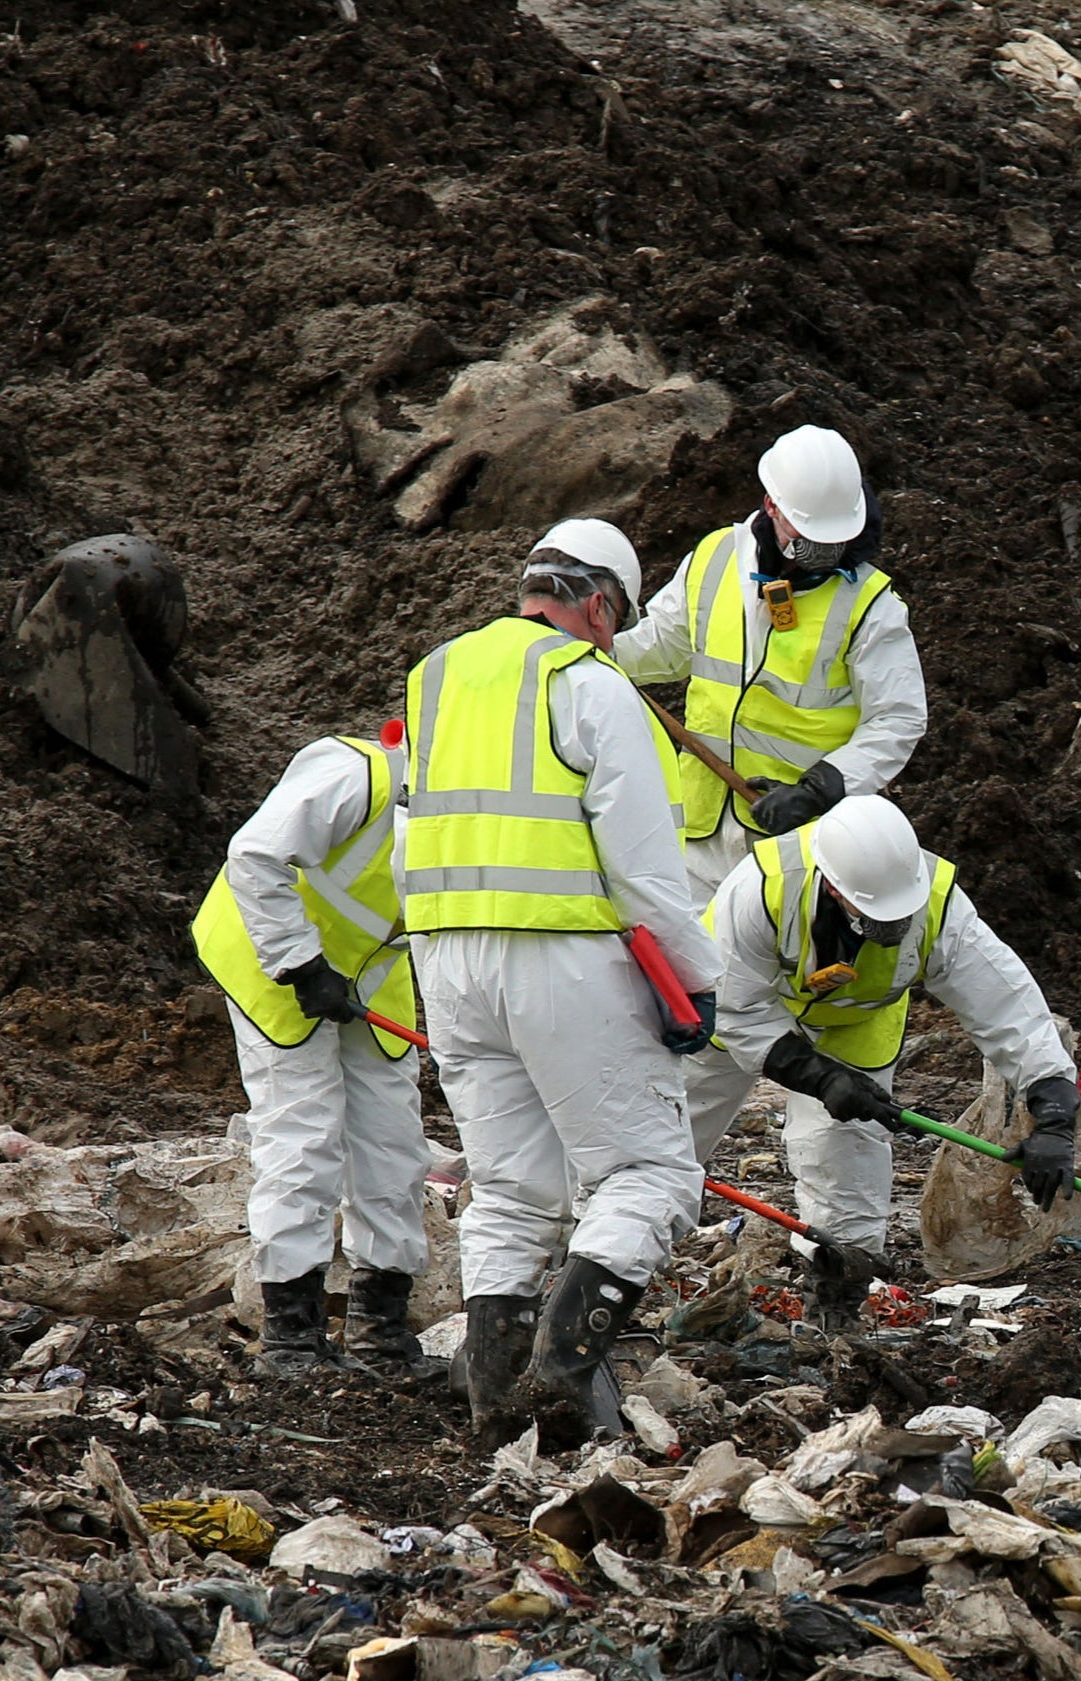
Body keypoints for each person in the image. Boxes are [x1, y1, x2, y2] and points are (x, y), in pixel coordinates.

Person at [399, 519, 724, 1433]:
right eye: (614, 622)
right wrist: (692, 982)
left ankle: (494, 1395)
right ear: (596, 605)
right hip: (561, 954)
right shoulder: (587, 682)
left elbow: (408, 824)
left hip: (448, 958)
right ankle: (566, 1359)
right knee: (651, 1172)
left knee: (509, 1185)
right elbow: (644, 864)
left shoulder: (436, 677)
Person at [690, 795, 1081, 1315]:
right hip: (731, 1012)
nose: (894, 927)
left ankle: (836, 1301)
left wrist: (1052, 1114)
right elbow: (736, 1005)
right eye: (875, 915)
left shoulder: (940, 908)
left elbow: (1010, 1010)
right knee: (662, 1140)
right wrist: (816, 1076)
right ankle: (597, 1252)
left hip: (854, 1023)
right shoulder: (761, 890)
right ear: (833, 887)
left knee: (846, 1164)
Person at [189, 724, 430, 1378]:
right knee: (304, 1133)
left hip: (368, 976)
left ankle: (381, 1334)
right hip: (275, 961)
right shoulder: (356, 773)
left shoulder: (480, 808)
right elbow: (254, 856)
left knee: (393, 1142)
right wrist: (300, 965)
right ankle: (292, 1341)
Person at [614, 424, 926, 905]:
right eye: (808, 536)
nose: (821, 551)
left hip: (799, 840)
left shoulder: (869, 605)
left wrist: (821, 789)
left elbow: (899, 718)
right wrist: (585, 643)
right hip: (700, 828)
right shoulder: (718, 557)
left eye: (832, 539)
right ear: (771, 506)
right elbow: (662, 646)